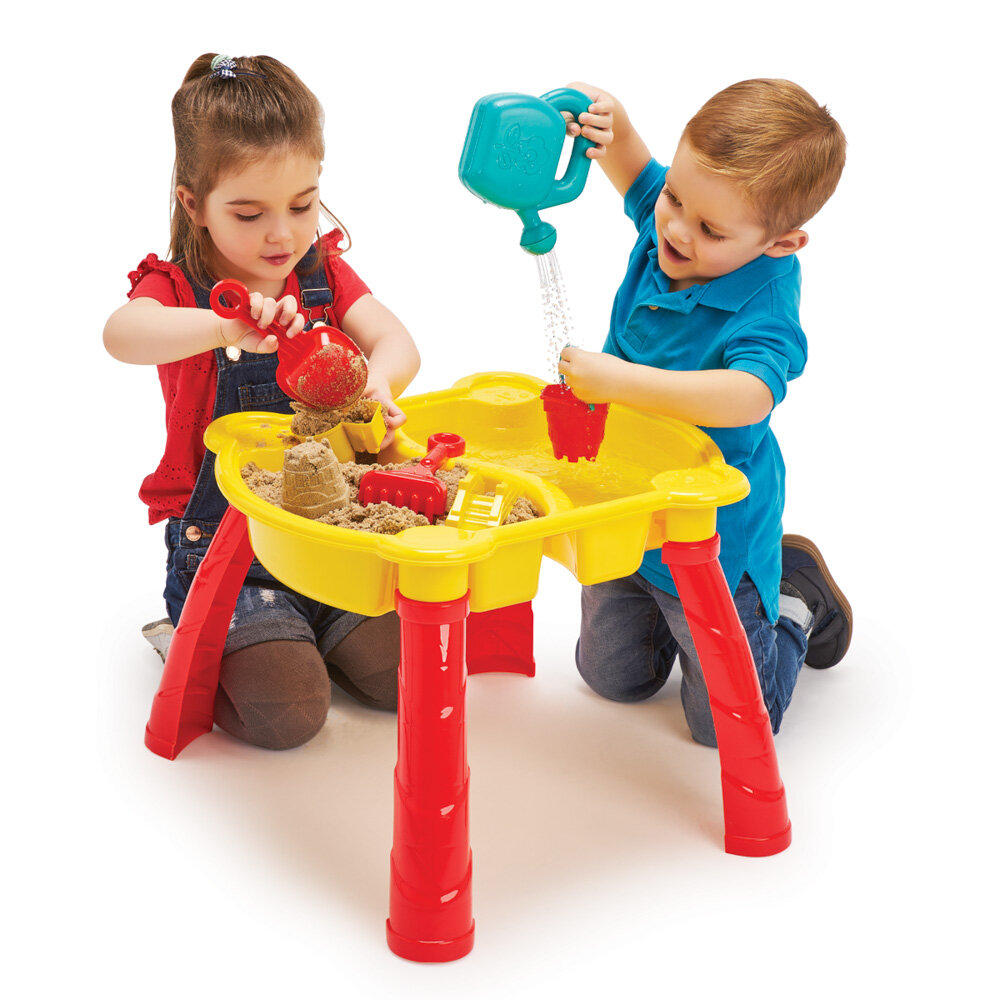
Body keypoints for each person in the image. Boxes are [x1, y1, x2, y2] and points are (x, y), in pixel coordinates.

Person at [104, 54, 420, 751]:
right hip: (228, 552)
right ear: (193, 204)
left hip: (328, 532)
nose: (283, 234)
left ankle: (302, 631)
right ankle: (198, 634)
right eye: (249, 213)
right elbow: (122, 334)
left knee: (407, 677)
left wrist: (379, 382)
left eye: (302, 205)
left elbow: (396, 340)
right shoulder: (178, 289)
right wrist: (222, 328)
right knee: (290, 715)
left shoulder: (322, 275)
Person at [558, 79, 852, 746]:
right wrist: (612, 122)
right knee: (612, 679)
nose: (674, 228)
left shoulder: (764, 299)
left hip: (713, 540)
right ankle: (660, 626)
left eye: (710, 229)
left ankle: (794, 600)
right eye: (674, 199)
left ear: (781, 243)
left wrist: (621, 383)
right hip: (625, 511)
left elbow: (749, 393)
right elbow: (637, 171)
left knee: (724, 726)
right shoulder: (682, 214)